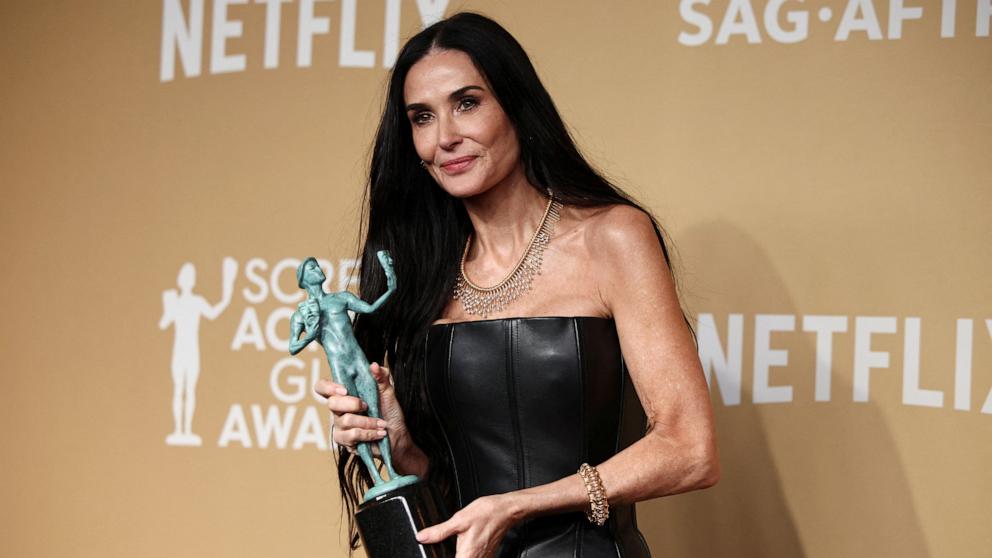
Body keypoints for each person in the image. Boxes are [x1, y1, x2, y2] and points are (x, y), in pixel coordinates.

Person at [314, 12, 719, 558]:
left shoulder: (612, 237)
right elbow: (457, 482)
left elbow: (690, 449)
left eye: (467, 103)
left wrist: (519, 504)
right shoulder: (420, 272)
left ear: (515, 106)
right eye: (422, 117)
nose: (446, 138)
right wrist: (405, 447)